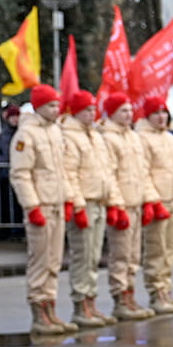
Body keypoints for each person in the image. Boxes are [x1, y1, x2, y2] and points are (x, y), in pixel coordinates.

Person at [13, 86, 73, 336]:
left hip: (56, 203)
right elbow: (20, 174)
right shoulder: (26, 135)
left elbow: (63, 170)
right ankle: (39, 312)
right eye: (50, 105)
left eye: (56, 105)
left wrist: (68, 198)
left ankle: (51, 309)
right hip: (41, 206)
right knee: (40, 260)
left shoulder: (56, 131)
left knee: (54, 261)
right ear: (37, 106)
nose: (55, 109)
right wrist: (31, 205)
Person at [58, 91, 117, 328]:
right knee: (82, 256)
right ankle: (80, 304)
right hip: (84, 203)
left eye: (93, 109)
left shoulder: (95, 135)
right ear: (76, 111)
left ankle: (91, 302)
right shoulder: (69, 137)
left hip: (99, 201)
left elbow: (106, 171)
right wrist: (78, 204)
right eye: (87, 110)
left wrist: (111, 200)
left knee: (93, 256)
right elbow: (69, 174)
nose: (92, 114)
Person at [97, 93, 154, 321]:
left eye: (130, 110)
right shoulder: (109, 138)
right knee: (120, 255)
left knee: (133, 255)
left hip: (136, 201)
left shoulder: (133, 137)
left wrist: (147, 198)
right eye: (123, 111)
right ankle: (121, 298)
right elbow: (109, 174)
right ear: (111, 113)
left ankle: (131, 295)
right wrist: (116, 204)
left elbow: (142, 171)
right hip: (122, 205)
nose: (129, 114)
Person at [136, 97, 173, 314]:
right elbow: (143, 172)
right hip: (157, 201)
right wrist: (152, 199)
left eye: (164, 112)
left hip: (172, 198)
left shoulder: (169, 138)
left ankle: (166, 289)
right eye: (156, 113)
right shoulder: (143, 139)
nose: (161, 117)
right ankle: (156, 292)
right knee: (156, 249)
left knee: (169, 250)